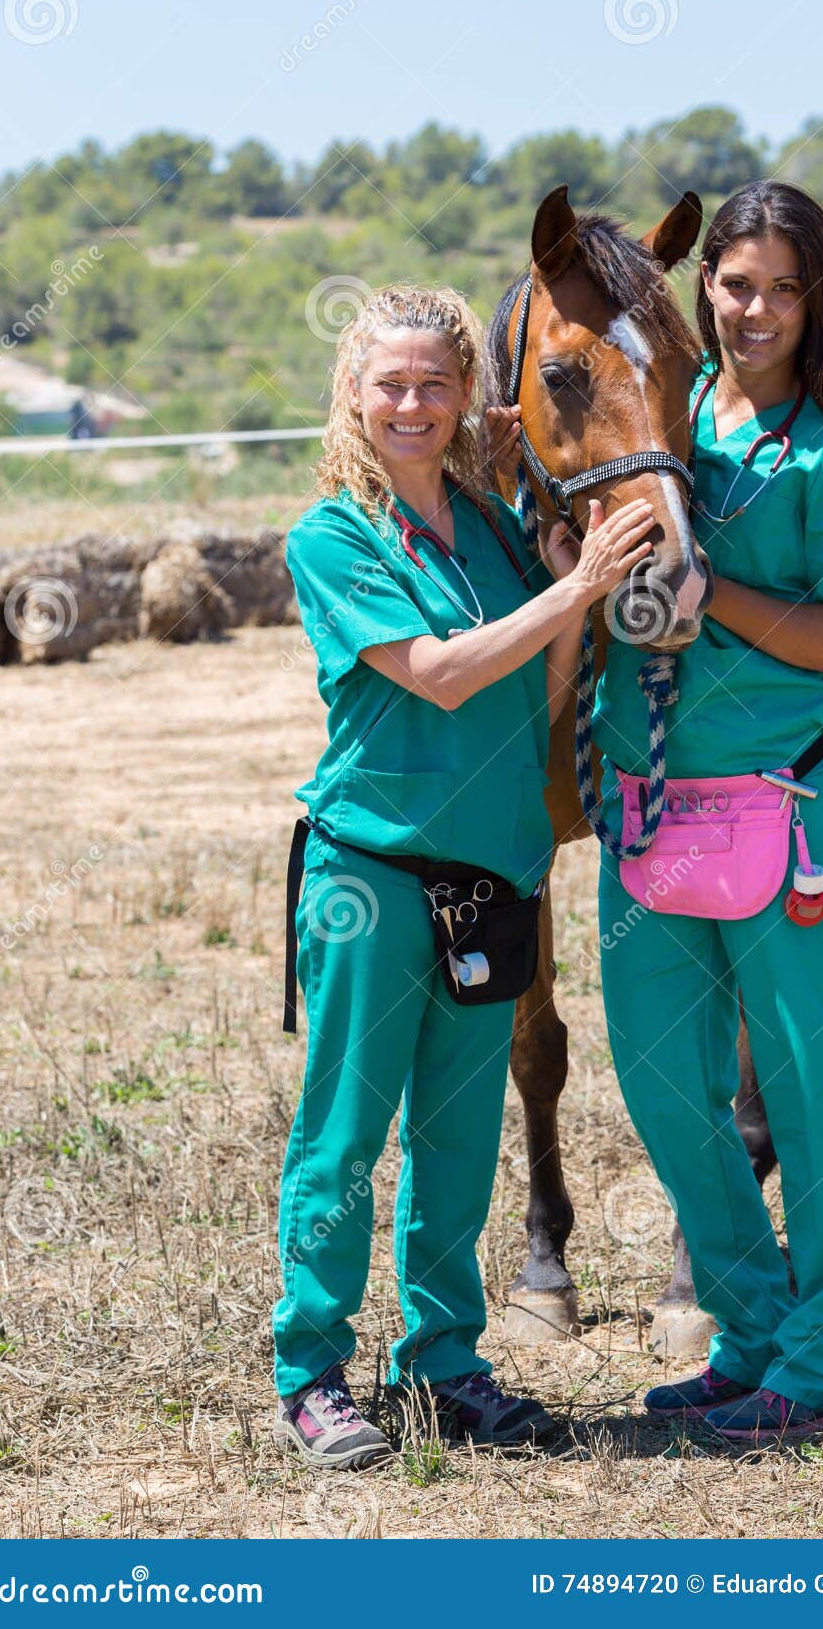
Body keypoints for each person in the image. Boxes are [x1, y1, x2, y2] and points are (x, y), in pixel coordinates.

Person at [273, 283, 656, 1469]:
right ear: (355, 391)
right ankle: (313, 1371)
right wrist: (579, 586)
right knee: (344, 1134)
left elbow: (531, 698)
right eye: (390, 382)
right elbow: (436, 673)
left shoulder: (492, 534)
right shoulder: (334, 534)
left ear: (466, 399)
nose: (413, 402)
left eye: (436, 383)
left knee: (456, 1136)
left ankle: (446, 1364)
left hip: (492, 872)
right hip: (373, 872)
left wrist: (560, 596)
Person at [593, 181, 823, 1441]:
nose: (759, 310)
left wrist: (710, 586)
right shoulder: (661, 421)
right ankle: (747, 1330)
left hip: (787, 813)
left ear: (817, 298)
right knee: (665, 1083)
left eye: (787, 288)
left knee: (809, 1089)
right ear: (706, 288)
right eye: (738, 284)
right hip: (646, 811)